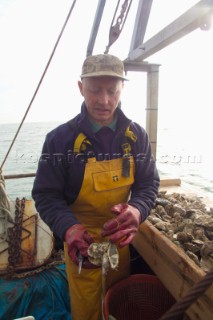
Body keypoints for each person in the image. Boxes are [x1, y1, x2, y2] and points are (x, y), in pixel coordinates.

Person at [32, 53, 160, 320]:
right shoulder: (59, 141)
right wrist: (69, 228)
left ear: (122, 89)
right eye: (95, 90)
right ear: (81, 88)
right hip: (80, 246)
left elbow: (148, 183)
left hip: (120, 241)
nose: (104, 100)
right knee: (87, 309)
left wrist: (136, 211)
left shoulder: (136, 136)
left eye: (113, 91)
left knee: (118, 304)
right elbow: (46, 194)